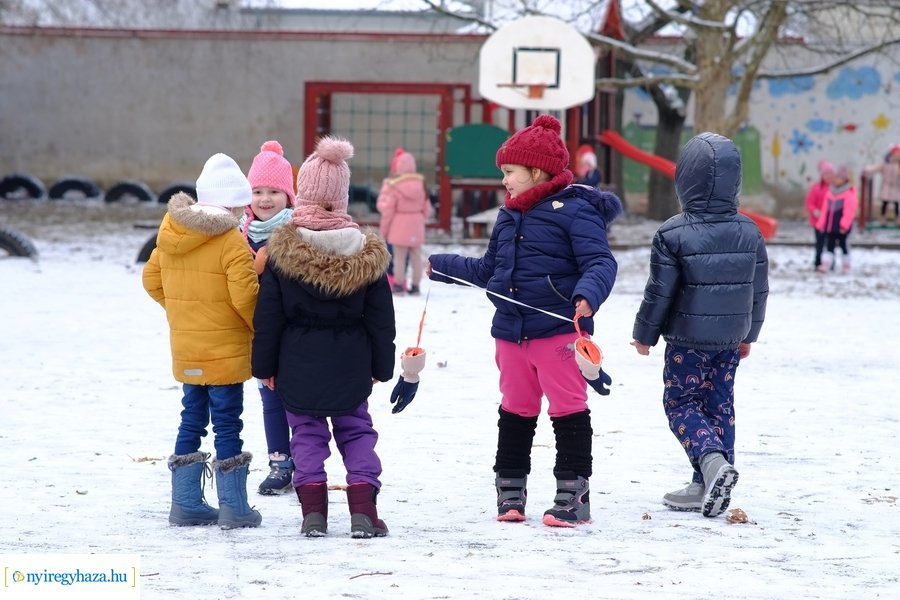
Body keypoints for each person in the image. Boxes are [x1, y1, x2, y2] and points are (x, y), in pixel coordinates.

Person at [426, 115, 621, 528]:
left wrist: (588, 294)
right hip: (511, 333)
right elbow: (488, 271)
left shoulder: (575, 212)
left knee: (568, 410)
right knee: (516, 410)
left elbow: (600, 261)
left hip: (558, 333)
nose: (505, 181)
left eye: (510, 172)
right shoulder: (508, 216)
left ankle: (573, 493)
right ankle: (510, 489)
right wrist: (442, 266)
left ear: (536, 171)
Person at [252, 136, 408, 539]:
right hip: (350, 360)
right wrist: (380, 366)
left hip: (296, 362)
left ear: (301, 194)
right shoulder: (365, 251)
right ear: (341, 197)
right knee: (356, 431)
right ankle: (364, 511)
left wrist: (264, 367)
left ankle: (313, 514)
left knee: (305, 434)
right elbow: (381, 320)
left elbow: (268, 317)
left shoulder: (282, 252)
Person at [630, 132, 769, 519]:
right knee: (719, 404)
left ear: (685, 180)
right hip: (729, 338)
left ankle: (710, 465)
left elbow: (660, 291)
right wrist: (750, 334)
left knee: (681, 402)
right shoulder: (750, 231)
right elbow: (759, 290)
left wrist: (644, 335)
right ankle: (704, 483)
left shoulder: (672, 232)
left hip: (687, 340)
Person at [142, 153, 262, 529]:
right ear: (229, 204)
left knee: (190, 419)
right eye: (242, 206)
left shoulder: (170, 234)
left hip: (187, 348)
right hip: (224, 352)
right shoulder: (230, 241)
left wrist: (181, 312)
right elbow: (245, 296)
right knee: (228, 424)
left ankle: (186, 503)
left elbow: (151, 280)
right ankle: (234, 507)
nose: (245, 213)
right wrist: (257, 330)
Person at [241, 140, 297, 495]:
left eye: (274, 191)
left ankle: (306, 460)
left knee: (298, 399)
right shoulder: (240, 234)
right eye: (258, 191)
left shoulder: (297, 232)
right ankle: (279, 462)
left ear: (288, 196)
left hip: (294, 332)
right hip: (260, 333)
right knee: (269, 399)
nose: (265, 199)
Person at [377, 147, 433, 296]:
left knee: (399, 258)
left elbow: (388, 210)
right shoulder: (421, 184)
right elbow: (427, 209)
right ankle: (415, 286)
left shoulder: (395, 185)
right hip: (416, 223)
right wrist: (420, 218)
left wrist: (384, 230)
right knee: (416, 258)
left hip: (398, 224)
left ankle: (399, 285)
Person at [816, 164, 858, 274]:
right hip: (830, 226)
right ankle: (826, 264)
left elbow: (849, 211)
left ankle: (846, 264)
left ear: (844, 180)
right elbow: (825, 210)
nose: (835, 180)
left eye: (838, 178)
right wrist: (821, 224)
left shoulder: (849, 193)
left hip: (842, 227)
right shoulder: (830, 193)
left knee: (844, 245)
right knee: (829, 245)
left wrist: (844, 225)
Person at [805, 160, 834, 270]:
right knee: (820, 243)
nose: (829, 176)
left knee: (830, 244)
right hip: (818, 222)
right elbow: (809, 202)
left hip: (831, 222)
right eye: (826, 174)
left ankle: (830, 263)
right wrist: (815, 211)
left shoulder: (834, 188)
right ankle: (818, 262)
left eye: (831, 174)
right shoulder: (816, 188)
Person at [863, 144, 900, 226]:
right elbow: (875, 168)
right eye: (896, 154)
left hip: (896, 187)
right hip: (886, 186)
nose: (897, 155)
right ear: (892, 154)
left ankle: (897, 218)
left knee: (896, 204)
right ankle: (883, 218)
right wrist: (867, 169)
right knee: (885, 203)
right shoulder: (885, 164)